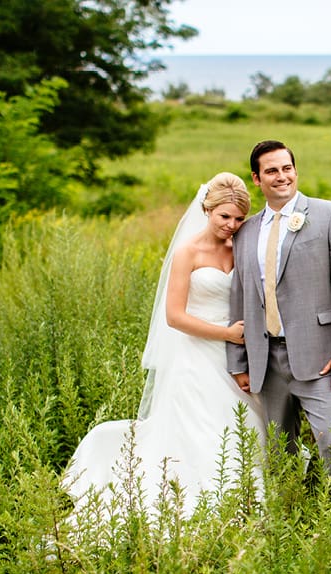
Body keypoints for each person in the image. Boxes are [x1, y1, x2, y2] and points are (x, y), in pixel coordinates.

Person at [64, 172, 265, 519]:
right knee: (203, 427)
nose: (231, 225)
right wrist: (227, 334)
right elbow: (175, 317)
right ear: (207, 209)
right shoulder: (188, 252)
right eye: (224, 216)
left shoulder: (240, 249)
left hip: (236, 353)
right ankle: (201, 500)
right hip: (196, 354)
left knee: (244, 424)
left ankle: (245, 498)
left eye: (238, 218)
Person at [227, 140, 331, 473]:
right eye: (272, 171)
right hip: (266, 361)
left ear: (295, 170)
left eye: (287, 168)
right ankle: (291, 504)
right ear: (257, 179)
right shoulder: (246, 232)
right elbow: (240, 297)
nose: (282, 176)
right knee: (279, 452)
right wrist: (238, 362)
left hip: (321, 358)